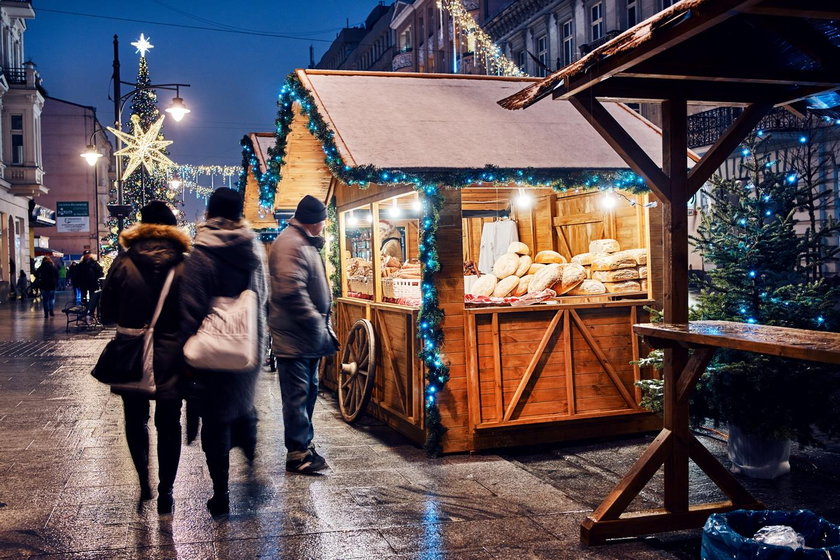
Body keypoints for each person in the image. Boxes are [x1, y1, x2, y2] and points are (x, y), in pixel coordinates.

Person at [180, 187, 267, 516]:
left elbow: (190, 306)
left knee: (214, 423)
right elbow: (263, 299)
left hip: (211, 353)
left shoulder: (200, 253)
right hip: (247, 349)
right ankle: (250, 458)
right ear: (238, 214)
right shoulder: (253, 248)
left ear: (209, 214)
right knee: (243, 408)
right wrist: (259, 344)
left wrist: (186, 352)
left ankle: (221, 493)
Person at [99, 201, 190, 514]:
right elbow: (193, 312)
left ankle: (144, 482)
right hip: (172, 354)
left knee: (135, 419)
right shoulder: (183, 263)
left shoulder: (123, 262)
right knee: (169, 421)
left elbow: (105, 313)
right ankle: (167, 491)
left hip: (132, 351)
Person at [269, 195, 339, 475]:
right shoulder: (291, 244)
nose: (324, 224)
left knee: (307, 393)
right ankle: (298, 453)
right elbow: (291, 291)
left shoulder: (300, 241)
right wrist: (315, 323)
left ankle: (303, 447)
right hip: (295, 337)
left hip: (304, 338)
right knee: (298, 396)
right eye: (323, 219)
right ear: (316, 220)